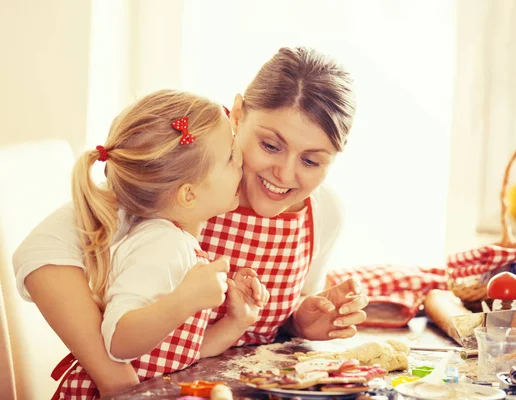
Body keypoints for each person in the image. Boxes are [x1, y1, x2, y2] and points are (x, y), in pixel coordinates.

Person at [13, 46, 368, 397]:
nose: (285, 174)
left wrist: (301, 320)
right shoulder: (178, 180)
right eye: (270, 146)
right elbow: (40, 253)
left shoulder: (324, 214)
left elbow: (273, 325)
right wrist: (116, 381)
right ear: (239, 114)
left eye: (311, 161)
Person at [53, 90, 270, 398]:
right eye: (232, 157)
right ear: (189, 195)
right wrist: (186, 299)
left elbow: (182, 352)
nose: (242, 163)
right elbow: (118, 342)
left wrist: (236, 323)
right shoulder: (160, 245)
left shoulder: (178, 241)